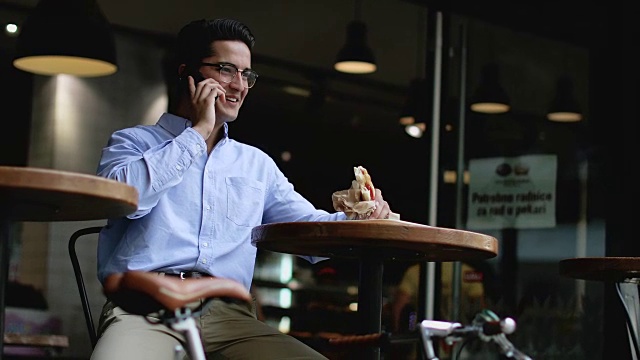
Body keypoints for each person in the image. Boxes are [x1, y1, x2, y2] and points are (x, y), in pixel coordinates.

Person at [91, 18, 393, 360]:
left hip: (229, 317)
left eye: (246, 75)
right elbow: (124, 200)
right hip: (143, 311)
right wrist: (198, 132)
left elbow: (309, 231)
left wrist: (363, 220)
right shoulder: (132, 142)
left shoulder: (256, 165)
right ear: (187, 74)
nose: (239, 86)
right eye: (226, 70)